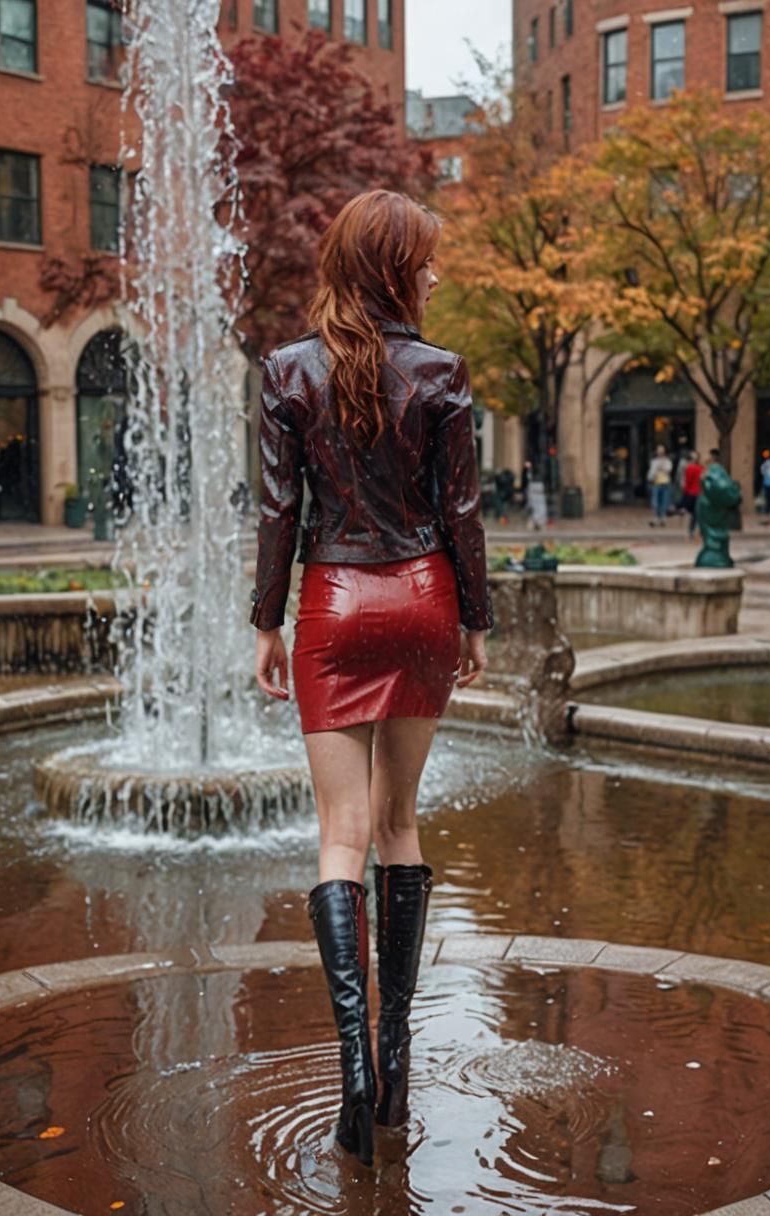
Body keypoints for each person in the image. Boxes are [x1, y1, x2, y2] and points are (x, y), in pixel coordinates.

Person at [250, 191, 492, 1168]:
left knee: (341, 835)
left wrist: (264, 622)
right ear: (394, 269)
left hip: (337, 605)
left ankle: (354, 1063)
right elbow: (463, 510)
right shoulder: (440, 371)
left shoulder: (286, 370)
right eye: (425, 262)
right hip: (424, 596)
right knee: (401, 822)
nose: (435, 276)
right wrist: (474, 619)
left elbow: (278, 510)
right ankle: (396, 1060)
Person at [646, 443, 673, 526]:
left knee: (664, 502)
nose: (660, 451)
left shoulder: (668, 461)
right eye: (658, 450)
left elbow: (668, 471)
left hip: (665, 483)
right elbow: (651, 473)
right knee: (655, 502)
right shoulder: (654, 461)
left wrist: (661, 468)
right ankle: (657, 518)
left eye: (661, 450)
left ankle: (662, 519)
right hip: (656, 483)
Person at [681, 449, 704, 537]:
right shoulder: (700, 468)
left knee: (695, 513)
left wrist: (686, 493)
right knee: (697, 513)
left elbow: (688, 482)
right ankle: (697, 530)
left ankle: (692, 530)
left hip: (693, 493)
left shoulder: (690, 468)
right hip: (698, 492)